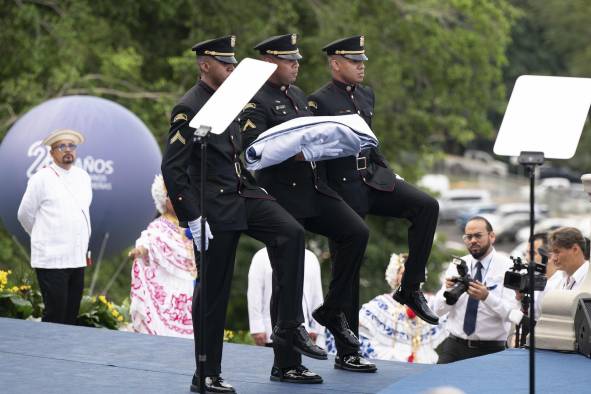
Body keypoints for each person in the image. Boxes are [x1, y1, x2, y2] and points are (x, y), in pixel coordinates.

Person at [161, 35, 325, 393]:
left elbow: (236, 154)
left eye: (234, 63)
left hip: (241, 192)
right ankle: (206, 374)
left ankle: (289, 329)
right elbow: (173, 169)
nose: (232, 68)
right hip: (213, 205)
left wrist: (256, 184)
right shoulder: (189, 107)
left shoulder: (231, 100)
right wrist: (191, 217)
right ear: (205, 65)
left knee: (290, 233)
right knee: (214, 291)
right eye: (225, 64)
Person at [241, 33, 376, 373]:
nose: (296, 65)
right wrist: (301, 149)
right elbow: (254, 151)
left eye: (297, 59)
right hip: (281, 196)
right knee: (287, 275)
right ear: (270, 62)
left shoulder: (298, 96)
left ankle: (330, 309)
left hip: (313, 191)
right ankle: (286, 362)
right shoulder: (253, 100)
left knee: (356, 233)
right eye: (290, 60)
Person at [307, 36, 440, 331]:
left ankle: (410, 288)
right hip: (341, 188)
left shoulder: (366, 95)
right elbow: (314, 154)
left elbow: (370, 141)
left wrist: (388, 171)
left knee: (427, 206)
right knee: (349, 266)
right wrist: (323, 194)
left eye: (362, 61)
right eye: (354, 61)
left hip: (371, 179)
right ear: (335, 63)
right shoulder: (319, 101)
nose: (361, 66)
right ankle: (348, 351)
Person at [17, 128, 92, 325]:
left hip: (77, 258)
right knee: (55, 315)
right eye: (62, 146)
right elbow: (24, 214)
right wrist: (42, 236)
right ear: (51, 152)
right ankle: (44, 354)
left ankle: (64, 355)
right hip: (51, 259)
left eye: (71, 146)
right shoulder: (41, 178)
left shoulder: (83, 177)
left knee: (71, 315)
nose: (68, 150)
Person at [432, 216, 518, 363]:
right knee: (439, 385)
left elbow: (511, 314)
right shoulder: (457, 264)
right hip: (454, 346)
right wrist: (447, 292)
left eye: (478, 235)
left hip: (490, 350)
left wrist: (487, 297)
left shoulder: (508, 267)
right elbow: (437, 311)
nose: (472, 241)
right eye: (468, 237)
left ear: (492, 237)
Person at [129, 174, 196, 338]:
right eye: (173, 195)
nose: (179, 198)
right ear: (164, 200)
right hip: (167, 291)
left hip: (191, 289)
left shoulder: (193, 225)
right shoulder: (158, 226)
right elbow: (148, 240)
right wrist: (141, 250)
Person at [357, 253, 447, 363]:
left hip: (423, 361)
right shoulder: (382, 302)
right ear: (395, 275)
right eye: (403, 273)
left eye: (412, 274)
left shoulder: (429, 302)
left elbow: (447, 311)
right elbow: (359, 322)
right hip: (393, 360)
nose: (408, 277)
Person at [248, 247, 324, 347]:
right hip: (270, 331)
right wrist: (257, 328)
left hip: (306, 332)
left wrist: (316, 328)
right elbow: (255, 294)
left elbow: (317, 295)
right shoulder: (261, 256)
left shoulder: (311, 257)